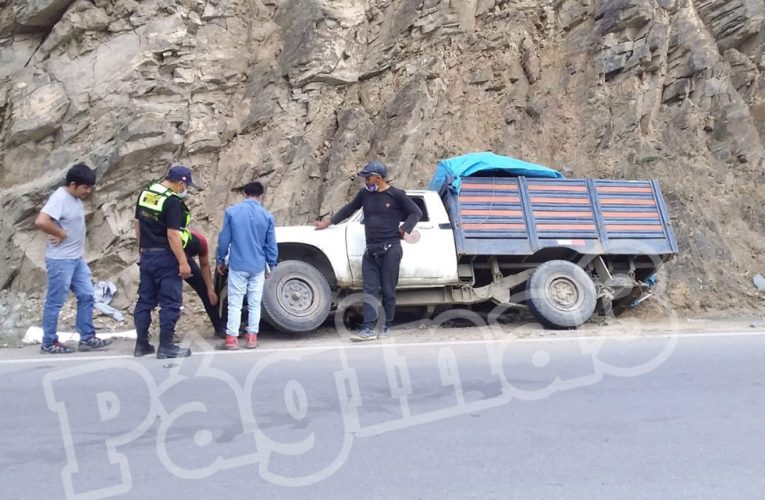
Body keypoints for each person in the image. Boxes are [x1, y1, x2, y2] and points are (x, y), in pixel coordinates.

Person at [315, 160, 421, 341]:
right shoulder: (364, 194)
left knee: (388, 290)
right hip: (371, 251)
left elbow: (416, 212)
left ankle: (386, 325)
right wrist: (328, 223)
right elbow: (349, 209)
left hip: (391, 249)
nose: (365, 181)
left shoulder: (396, 195)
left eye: (368, 178)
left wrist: (404, 229)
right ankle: (368, 328)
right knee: (369, 290)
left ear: (378, 178)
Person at [34, 163, 113, 354]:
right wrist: (59, 233)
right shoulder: (60, 197)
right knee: (55, 301)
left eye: (90, 187)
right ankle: (49, 341)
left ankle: (87, 337)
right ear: (73, 184)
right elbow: (41, 221)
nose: (88, 191)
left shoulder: (74, 197)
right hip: (61, 261)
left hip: (76, 259)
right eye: (85, 187)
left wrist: (59, 231)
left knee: (87, 295)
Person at [132, 165, 197, 359]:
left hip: (147, 255)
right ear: (180, 183)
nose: (185, 190)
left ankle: (141, 344)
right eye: (186, 186)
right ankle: (166, 346)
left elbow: (137, 224)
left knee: (145, 300)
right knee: (170, 302)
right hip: (166, 257)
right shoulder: (172, 201)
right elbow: (173, 235)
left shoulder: (145, 194)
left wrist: (141, 248)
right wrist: (183, 262)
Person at [216, 181, 278, 350]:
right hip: (257, 266)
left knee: (235, 302)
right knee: (254, 302)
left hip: (238, 264)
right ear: (262, 195)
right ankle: (251, 337)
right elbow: (271, 245)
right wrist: (271, 265)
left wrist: (220, 260)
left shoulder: (232, 212)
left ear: (244, 194)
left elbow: (224, 240)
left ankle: (231, 339)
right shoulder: (267, 216)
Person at [184, 229, 225, 337]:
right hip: (171, 257)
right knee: (170, 296)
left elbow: (205, 265)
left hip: (184, 258)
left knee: (205, 290)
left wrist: (210, 290)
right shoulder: (175, 239)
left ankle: (219, 328)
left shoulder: (201, 242)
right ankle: (168, 333)